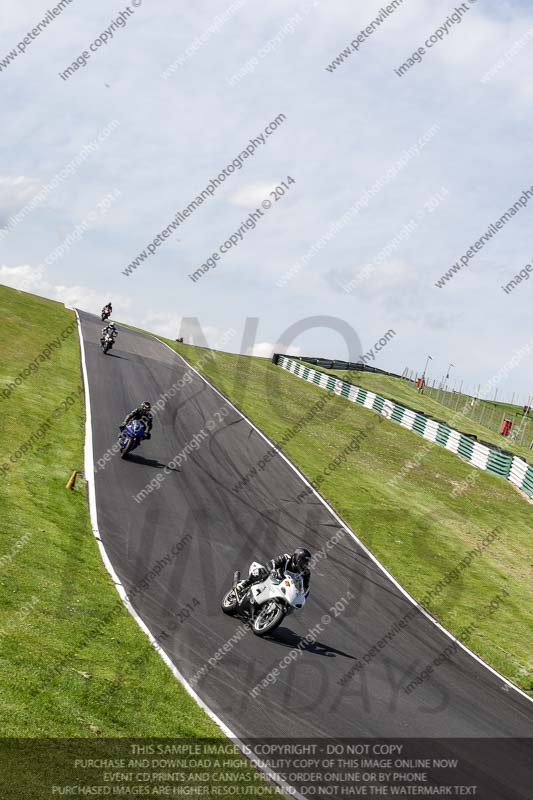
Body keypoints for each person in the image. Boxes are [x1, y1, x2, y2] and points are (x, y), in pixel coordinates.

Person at [237, 548, 312, 596]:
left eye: (306, 562)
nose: (304, 564)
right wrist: (271, 569)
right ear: (297, 558)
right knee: (264, 571)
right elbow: (273, 563)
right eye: (303, 561)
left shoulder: (306, 573)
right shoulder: (287, 558)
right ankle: (244, 584)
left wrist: (303, 595)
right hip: (273, 577)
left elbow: (305, 588)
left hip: (285, 588)